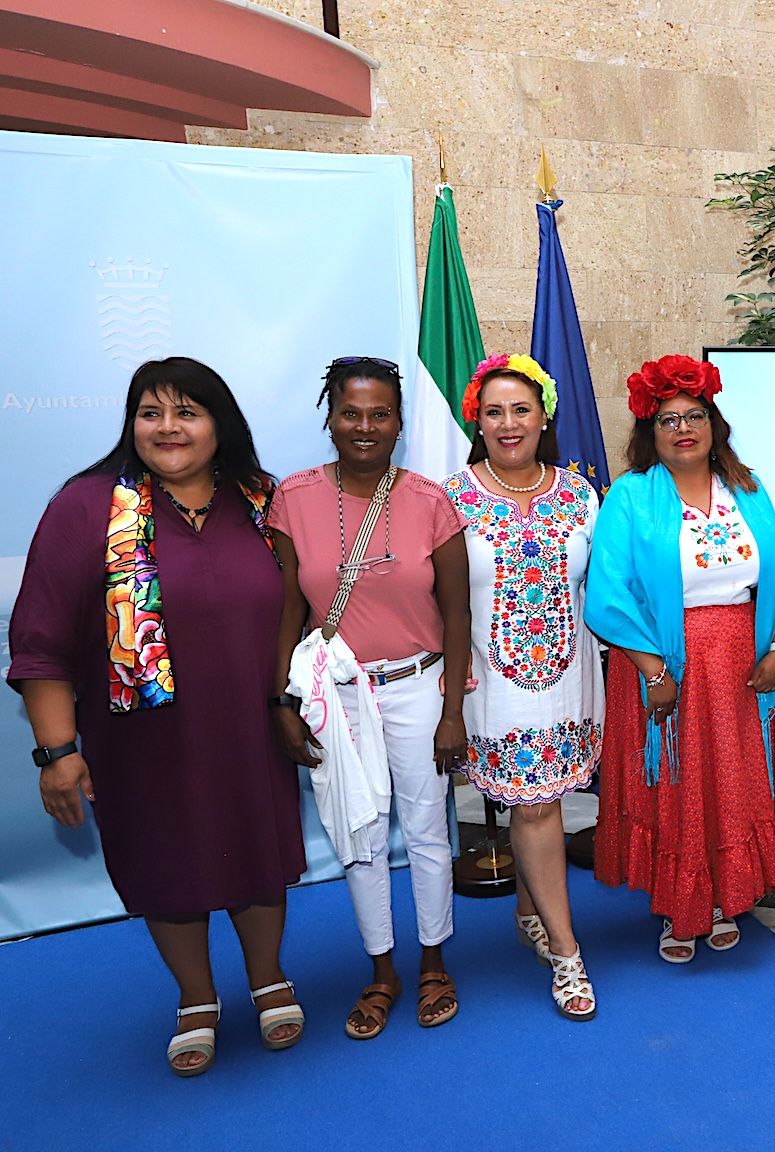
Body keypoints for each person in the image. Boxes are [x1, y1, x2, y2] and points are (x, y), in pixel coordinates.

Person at [8, 358, 306, 1077]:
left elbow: (307, 606)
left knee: (255, 847)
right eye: (151, 413)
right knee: (166, 858)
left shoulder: (264, 501)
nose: (168, 428)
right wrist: (57, 752)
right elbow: (41, 636)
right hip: (142, 738)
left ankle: (268, 977)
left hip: (251, 727)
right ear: (131, 424)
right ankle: (196, 997)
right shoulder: (87, 507)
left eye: (187, 412)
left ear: (219, 423)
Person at [269, 356, 470, 1038]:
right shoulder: (292, 498)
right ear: (329, 418)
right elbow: (287, 611)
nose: (365, 426)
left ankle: (434, 962)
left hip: (418, 687)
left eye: (380, 413)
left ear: (399, 422)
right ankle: (381, 969)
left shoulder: (429, 501)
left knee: (427, 833)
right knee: (357, 835)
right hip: (337, 696)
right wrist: (283, 703)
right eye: (351, 413)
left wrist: (451, 712)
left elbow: (459, 613)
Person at [585, 354, 775, 962]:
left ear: (714, 424)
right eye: (668, 419)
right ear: (650, 434)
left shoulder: (747, 489)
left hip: (742, 661)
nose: (684, 428)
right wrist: (653, 669)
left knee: (732, 785)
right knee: (679, 784)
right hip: (662, 665)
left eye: (694, 415)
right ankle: (683, 908)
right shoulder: (630, 496)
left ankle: (726, 896)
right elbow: (607, 592)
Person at [444, 352, 603, 1021]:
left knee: (542, 805)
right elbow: (438, 604)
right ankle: (567, 954)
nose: (508, 423)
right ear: (476, 422)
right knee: (536, 809)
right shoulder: (449, 499)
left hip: (572, 677)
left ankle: (530, 909)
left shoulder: (580, 494)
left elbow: (602, 586)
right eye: (493, 411)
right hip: (495, 685)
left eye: (521, 409)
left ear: (544, 417)